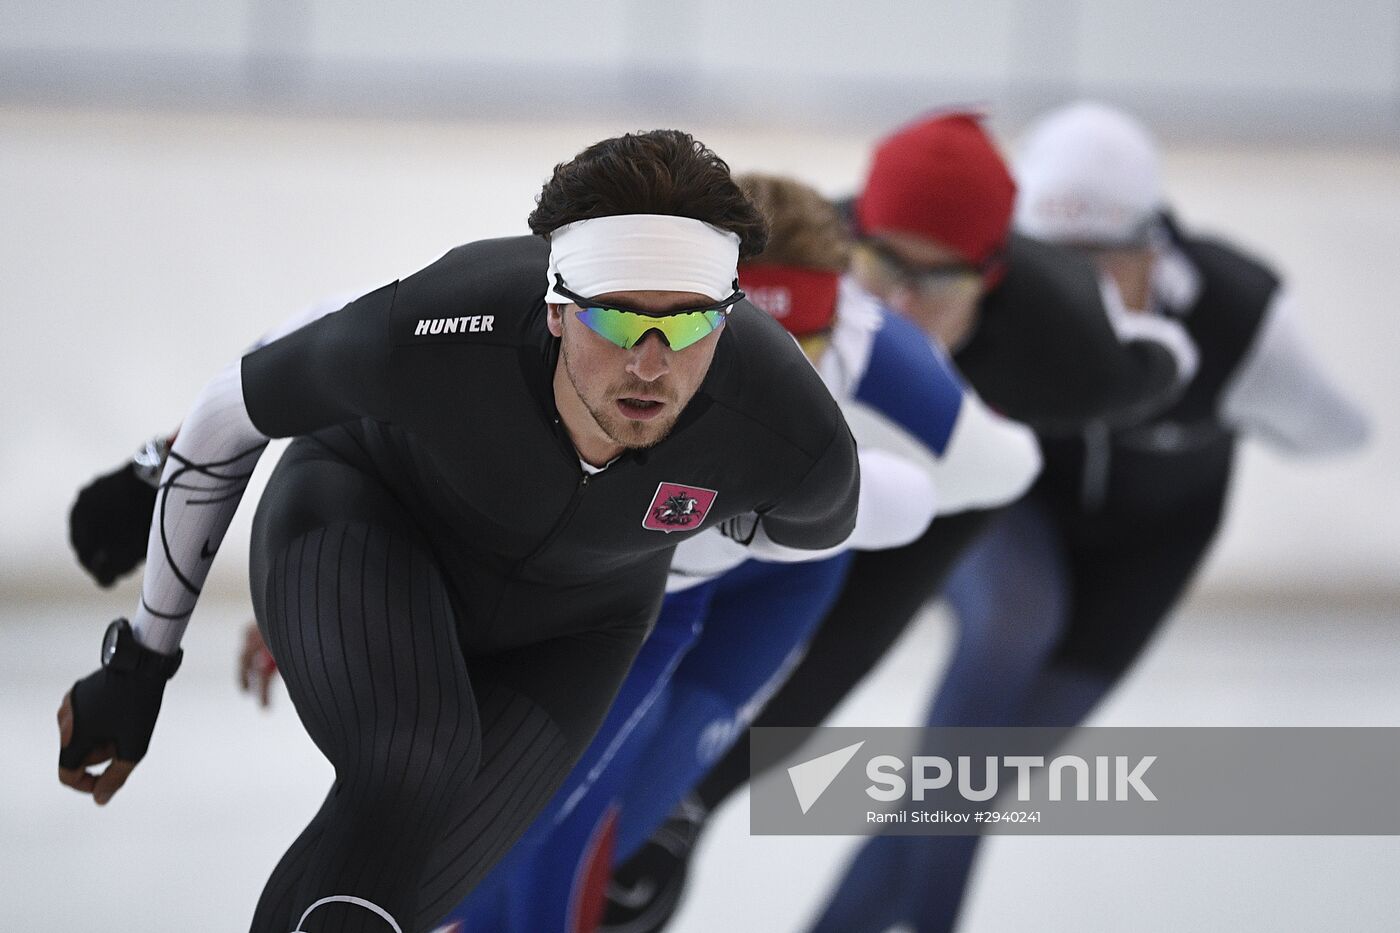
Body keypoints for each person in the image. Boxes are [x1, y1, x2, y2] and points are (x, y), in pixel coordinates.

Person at [55, 129, 864, 933]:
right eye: (618, 323)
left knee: (410, 891)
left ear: (725, 318)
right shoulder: (455, 316)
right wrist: (141, 663)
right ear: (555, 309)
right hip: (368, 518)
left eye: (686, 327)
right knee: (416, 761)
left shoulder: (785, 422)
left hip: (583, 624)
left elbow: (822, 526)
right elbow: (234, 406)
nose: (651, 363)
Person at [611, 111, 1202, 932]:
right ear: (852, 237)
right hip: (787, 472)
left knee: (838, 644)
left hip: (942, 495)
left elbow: (1164, 360)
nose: (899, 301)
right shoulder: (801, 249)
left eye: (938, 282)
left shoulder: (1063, 344)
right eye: (881, 266)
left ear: (990, 277)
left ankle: (684, 811)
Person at [806, 101, 1371, 933]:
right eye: (1047, 263)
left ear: (1158, 247)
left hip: (1141, 557)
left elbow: (1339, 431)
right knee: (1016, 620)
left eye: (1100, 264)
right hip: (1014, 516)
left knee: (963, 791)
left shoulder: (1237, 319)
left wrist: (1248, 402)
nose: (1073, 294)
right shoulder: (988, 295)